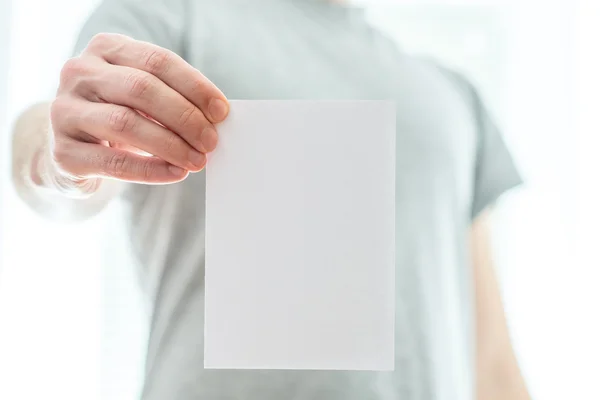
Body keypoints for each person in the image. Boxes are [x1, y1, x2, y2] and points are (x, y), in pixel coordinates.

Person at [10, 0, 531, 399]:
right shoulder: (170, 18)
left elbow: (491, 359)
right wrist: (60, 163)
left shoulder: (453, 96)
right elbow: (67, 161)